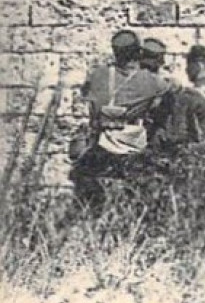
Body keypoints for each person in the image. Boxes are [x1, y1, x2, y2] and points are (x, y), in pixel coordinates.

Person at [69, 29, 173, 209]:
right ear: (138, 52)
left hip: (101, 144)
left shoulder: (98, 75)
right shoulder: (152, 81)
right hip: (132, 147)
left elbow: (87, 94)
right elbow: (169, 96)